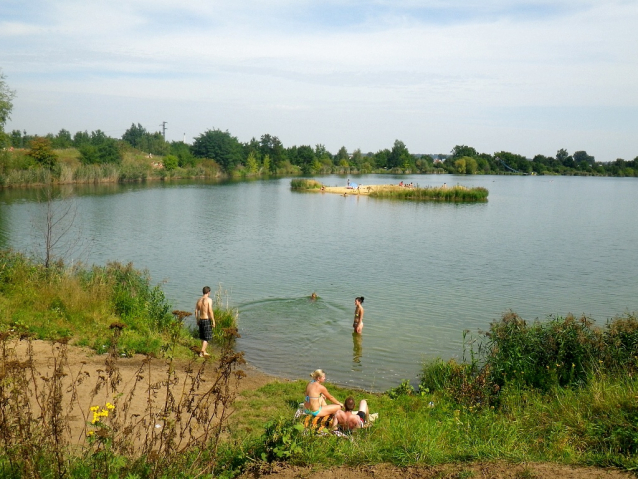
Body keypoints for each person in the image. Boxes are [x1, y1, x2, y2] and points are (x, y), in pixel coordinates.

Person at [195, 286, 215, 357]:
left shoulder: (199, 300)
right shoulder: (209, 300)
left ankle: (204, 351)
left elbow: (196, 311)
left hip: (201, 319)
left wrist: (197, 320)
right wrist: (213, 321)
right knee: (207, 337)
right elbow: (210, 310)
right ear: (208, 292)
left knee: (203, 337)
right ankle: (201, 352)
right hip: (206, 320)